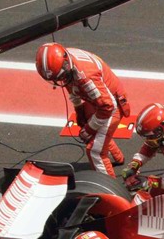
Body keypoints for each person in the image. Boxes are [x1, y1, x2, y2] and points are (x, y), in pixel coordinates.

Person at [35, 43, 131, 177]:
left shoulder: (85, 76)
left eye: (61, 77)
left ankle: (110, 189)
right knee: (85, 122)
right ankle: (117, 157)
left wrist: (90, 128)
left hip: (112, 103)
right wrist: (79, 109)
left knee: (94, 151)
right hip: (100, 98)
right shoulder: (65, 61)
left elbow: (108, 107)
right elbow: (70, 84)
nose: (61, 81)